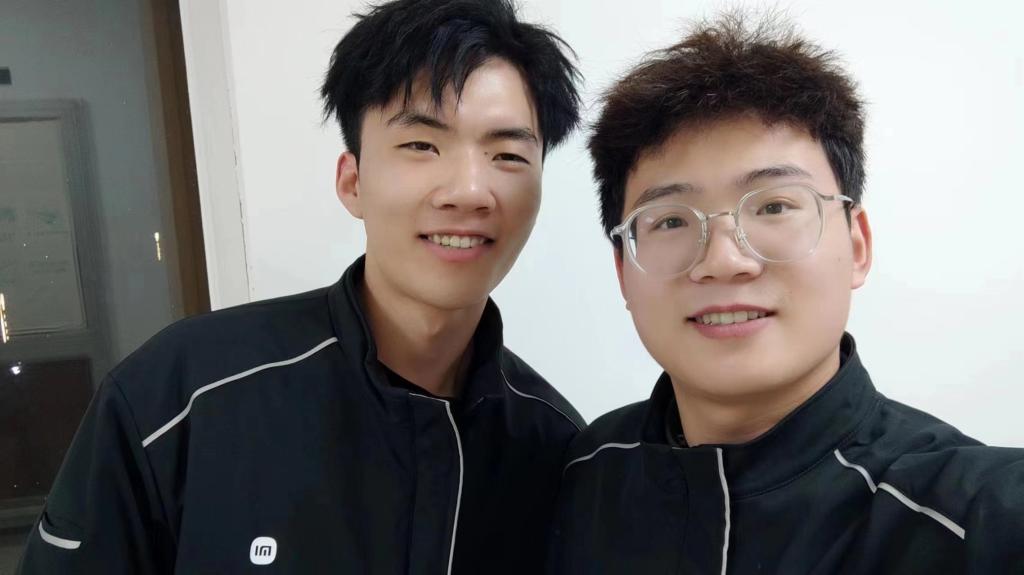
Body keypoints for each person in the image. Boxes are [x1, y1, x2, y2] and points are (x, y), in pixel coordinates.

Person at [18, 0, 584, 572]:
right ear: (352, 181)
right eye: (421, 145)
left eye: (507, 154)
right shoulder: (178, 398)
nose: (468, 191)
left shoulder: (557, 450)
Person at [548, 13, 1024, 574]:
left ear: (858, 245)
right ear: (622, 271)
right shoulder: (581, 473)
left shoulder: (978, 517)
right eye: (670, 220)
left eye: (774, 206)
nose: (723, 261)